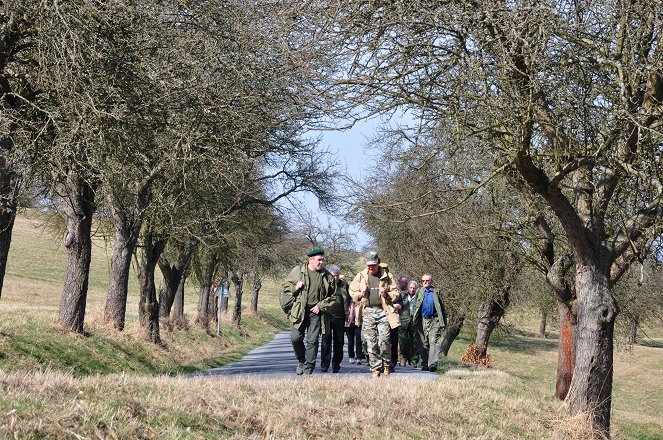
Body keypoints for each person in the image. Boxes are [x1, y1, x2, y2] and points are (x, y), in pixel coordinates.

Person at [282, 248, 336, 376]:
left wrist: (321, 306)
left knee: (313, 341)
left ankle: (308, 370)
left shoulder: (327, 276)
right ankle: (301, 361)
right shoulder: (298, 271)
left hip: (316, 312)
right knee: (296, 338)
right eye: (319, 260)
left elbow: (333, 296)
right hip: (300, 310)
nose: (321, 262)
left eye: (323, 260)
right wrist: (295, 287)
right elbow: (285, 286)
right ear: (311, 260)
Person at [349, 251, 400, 377]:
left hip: (383, 311)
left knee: (384, 341)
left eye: (373, 265)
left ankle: (386, 364)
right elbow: (352, 291)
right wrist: (360, 294)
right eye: (369, 266)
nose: (371, 268)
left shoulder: (387, 276)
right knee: (370, 342)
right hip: (368, 311)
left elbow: (397, 293)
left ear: (378, 263)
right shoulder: (361, 276)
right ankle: (375, 368)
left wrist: (386, 294)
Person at [412, 274, 448, 372]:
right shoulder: (419, 291)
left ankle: (432, 364)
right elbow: (415, 307)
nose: (425, 282)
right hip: (422, 320)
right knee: (423, 343)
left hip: (434, 320)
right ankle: (425, 363)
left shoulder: (436, 292)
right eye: (423, 281)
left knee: (434, 341)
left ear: (431, 281)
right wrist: (413, 321)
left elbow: (442, 308)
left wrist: (443, 322)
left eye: (427, 280)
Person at [319, 265, 346, 373]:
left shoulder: (344, 285)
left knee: (339, 342)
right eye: (334, 276)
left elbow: (348, 299)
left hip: (340, 317)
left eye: (337, 275)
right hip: (327, 316)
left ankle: (336, 365)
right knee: (326, 341)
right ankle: (325, 364)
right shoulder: (324, 284)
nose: (336, 278)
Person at [398, 280, 421, 368]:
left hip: (415, 322)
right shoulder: (402, 295)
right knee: (403, 341)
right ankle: (403, 358)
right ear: (408, 288)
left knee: (415, 342)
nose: (412, 290)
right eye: (411, 288)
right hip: (403, 321)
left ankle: (414, 361)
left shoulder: (419, 297)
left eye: (414, 288)